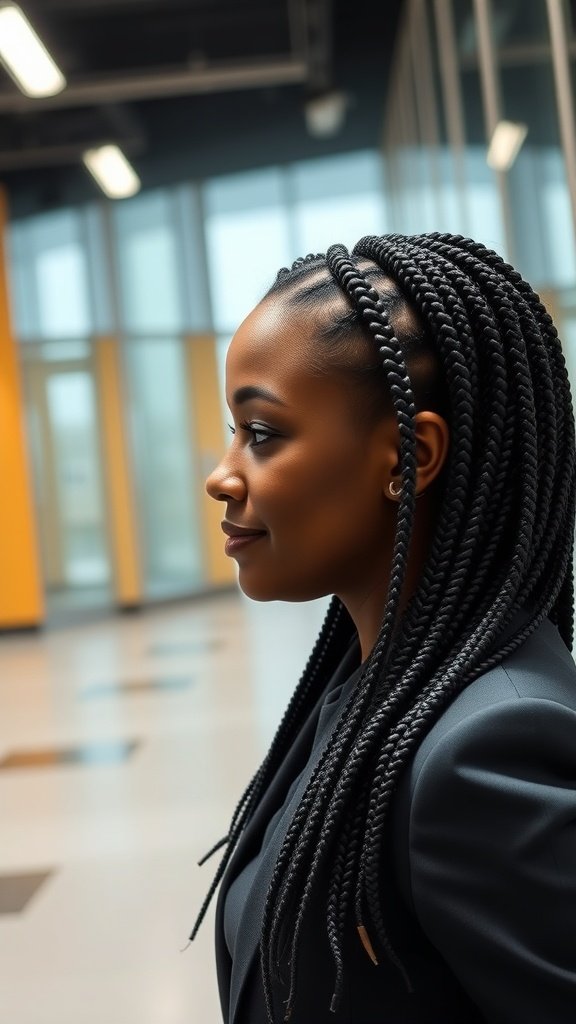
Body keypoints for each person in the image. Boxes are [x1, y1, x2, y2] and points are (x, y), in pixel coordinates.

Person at [189, 232, 576, 1023]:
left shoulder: (488, 750)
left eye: (262, 433)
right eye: (233, 431)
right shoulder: (370, 687)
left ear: (410, 455)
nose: (221, 474)